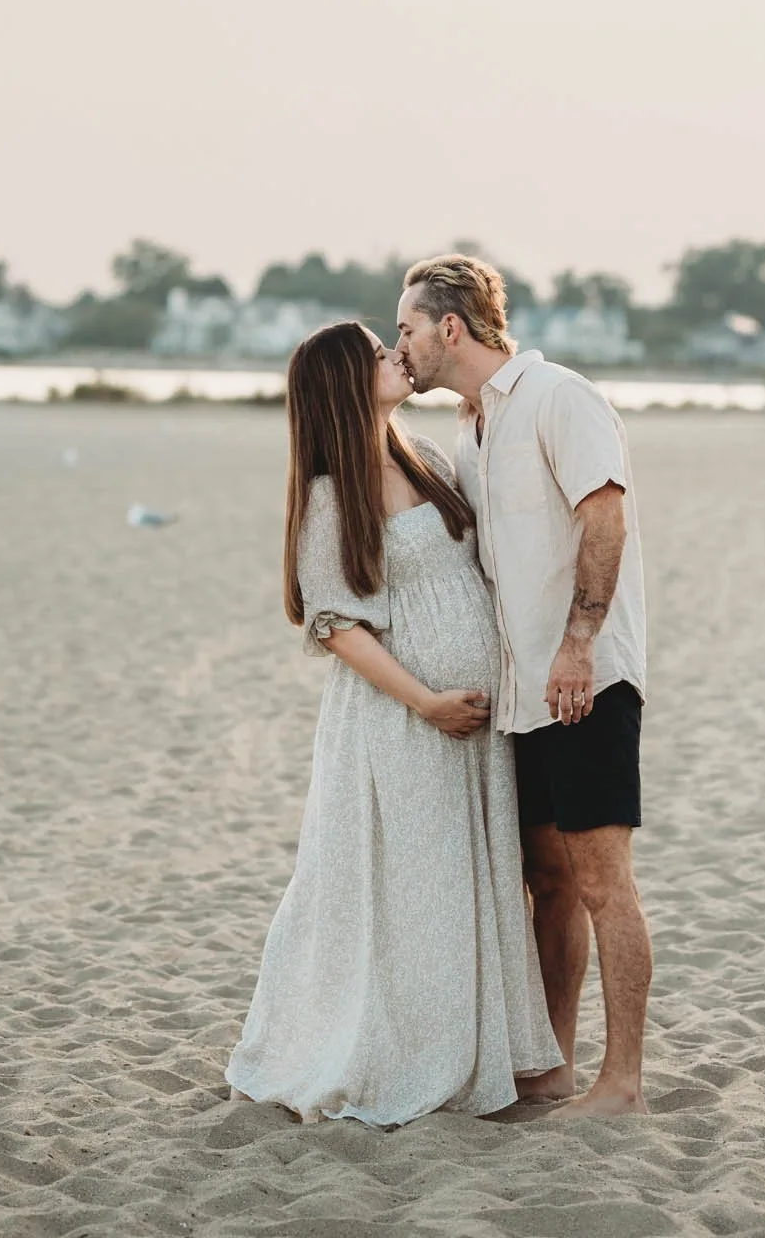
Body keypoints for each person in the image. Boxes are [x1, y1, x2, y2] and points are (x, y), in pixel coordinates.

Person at [226, 320, 562, 1126]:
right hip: (403, 724)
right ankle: (401, 1054)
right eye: (377, 353)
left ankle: (478, 1055)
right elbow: (337, 626)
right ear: (344, 382)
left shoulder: (428, 458)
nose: (394, 357)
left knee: (461, 885)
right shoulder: (329, 493)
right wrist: (426, 701)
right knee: (409, 890)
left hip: (474, 733)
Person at [396, 254, 652, 1118]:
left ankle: (621, 1082)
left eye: (407, 329)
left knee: (601, 881)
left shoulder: (558, 399)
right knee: (546, 878)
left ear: (450, 329)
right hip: (520, 696)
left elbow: (604, 514)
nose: (402, 346)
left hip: (585, 681)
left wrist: (579, 642)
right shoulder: (470, 429)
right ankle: (552, 1064)